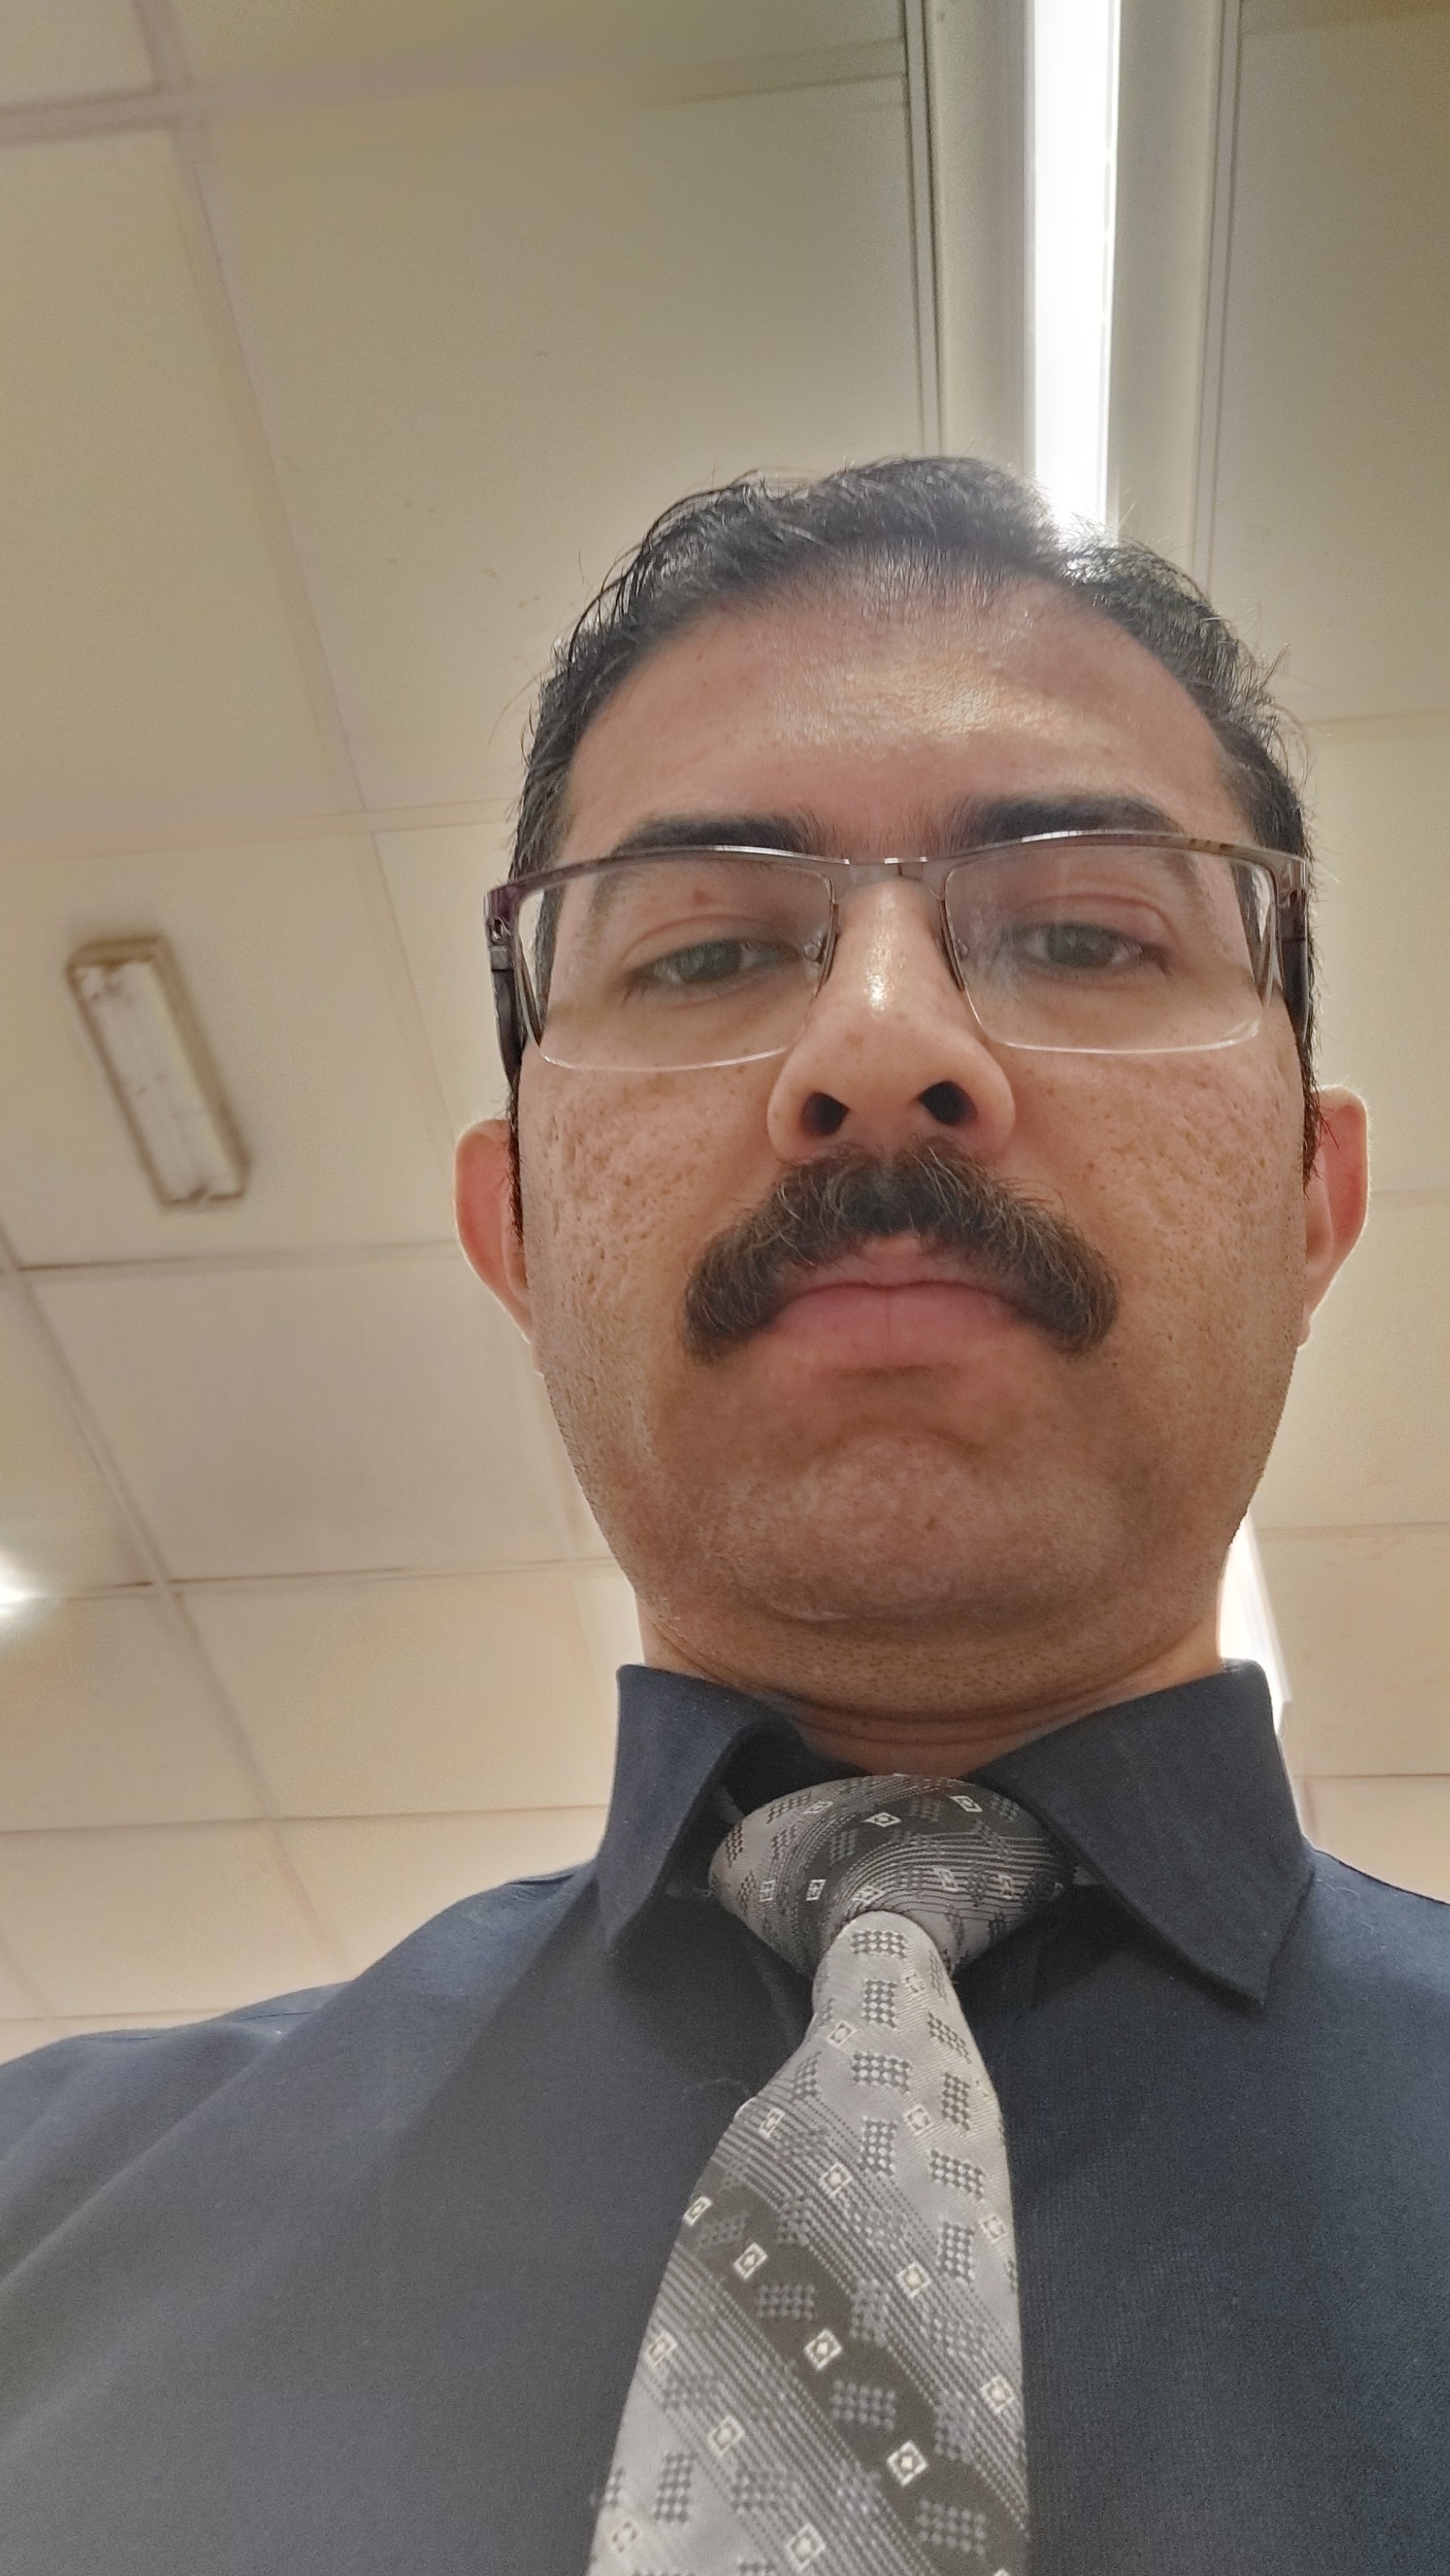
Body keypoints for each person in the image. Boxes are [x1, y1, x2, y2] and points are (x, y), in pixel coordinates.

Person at [2, 458, 1446, 2576]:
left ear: (1315, 1199)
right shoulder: (39, 2232)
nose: (880, 1046)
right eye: (703, 957)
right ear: (515, 1226)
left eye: (1079, 931)